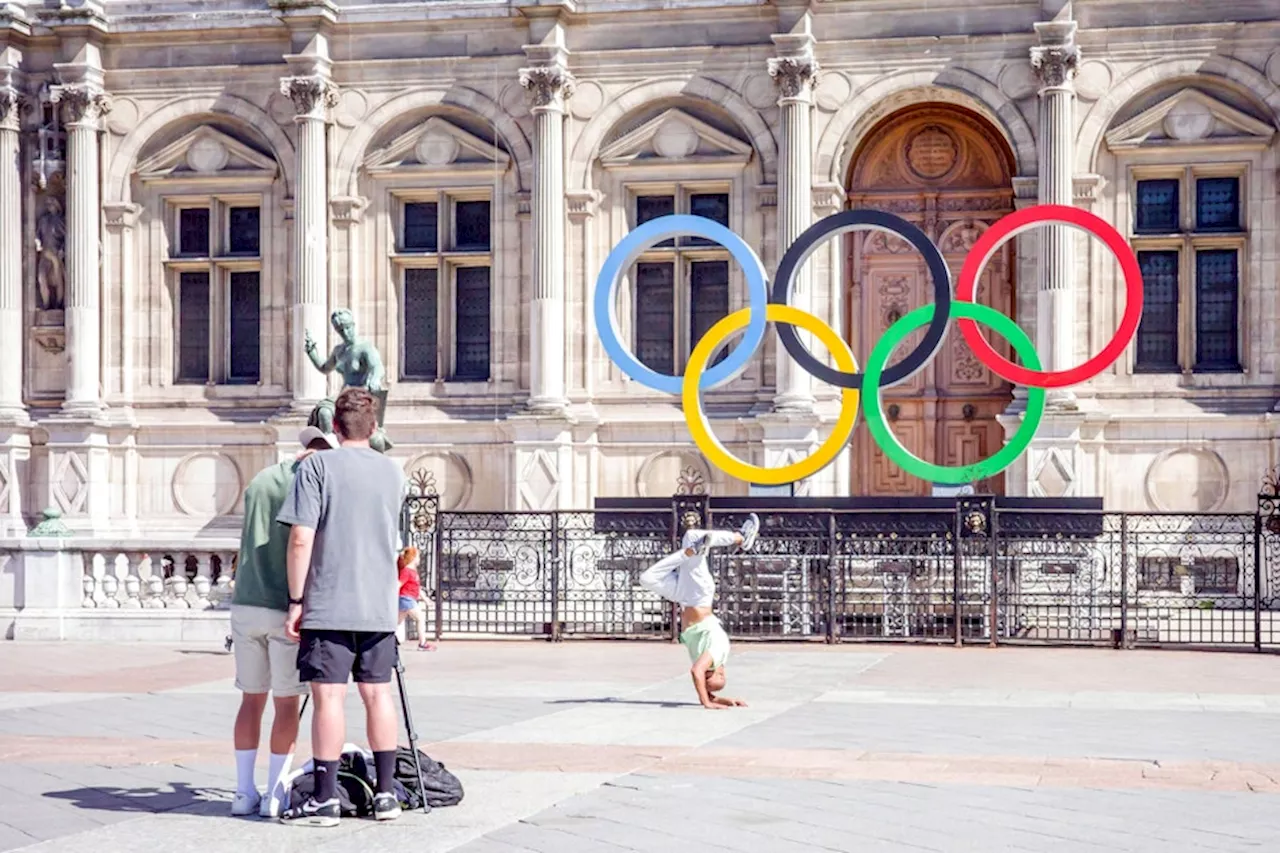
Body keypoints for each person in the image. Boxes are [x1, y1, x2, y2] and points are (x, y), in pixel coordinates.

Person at [278, 388, 407, 827]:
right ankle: (386, 794)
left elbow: (300, 538)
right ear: (373, 428)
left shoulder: (317, 467)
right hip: (378, 603)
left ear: (334, 428)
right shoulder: (394, 474)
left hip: (329, 601)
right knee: (378, 694)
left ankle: (326, 798)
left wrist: (295, 600)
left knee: (328, 698)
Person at [228, 426, 338, 818]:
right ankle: (274, 794)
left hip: (245, 601)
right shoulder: (313, 484)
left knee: (250, 700)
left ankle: (243, 792)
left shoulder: (261, 478)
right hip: (282, 605)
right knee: (287, 704)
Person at [639, 511, 759, 711]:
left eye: (709, 676)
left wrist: (715, 700)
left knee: (646, 578)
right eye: (717, 675)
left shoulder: (705, 663)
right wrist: (708, 701)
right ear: (722, 672)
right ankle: (740, 539)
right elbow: (697, 672)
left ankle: (687, 553)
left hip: (685, 597)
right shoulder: (719, 651)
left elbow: (697, 672)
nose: (712, 672)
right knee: (692, 537)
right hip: (699, 595)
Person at [396, 547, 434, 651]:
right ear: (412, 558)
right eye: (418, 557)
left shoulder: (412, 571)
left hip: (408, 599)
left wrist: (426, 599)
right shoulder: (407, 571)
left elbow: (417, 588)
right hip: (407, 599)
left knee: (396, 622)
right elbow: (398, 584)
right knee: (420, 618)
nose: (419, 559)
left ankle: (386, 639)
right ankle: (422, 644)